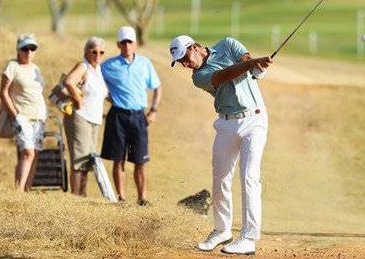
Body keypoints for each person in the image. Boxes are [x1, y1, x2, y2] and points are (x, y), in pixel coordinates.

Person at [170, 35, 272, 255]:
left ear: (195, 47)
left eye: (184, 58)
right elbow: (225, 75)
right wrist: (251, 65)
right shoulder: (198, 77)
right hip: (226, 123)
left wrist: (256, 66)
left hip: (254, 120)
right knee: (220, 179)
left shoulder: (228, 44)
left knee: (249, 177)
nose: (185, 65)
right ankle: (222, 230)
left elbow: (245, 58)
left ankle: (249, 238)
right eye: (180, 63)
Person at [101, 26, 161, 206]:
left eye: (130, 42)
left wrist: (153, 110)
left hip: (138, 117)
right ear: (118, 44)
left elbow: (157, 87)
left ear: (135, 44)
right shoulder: (108, 65)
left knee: (140, 160)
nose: (127, 45)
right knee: (118, 159)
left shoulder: (145, 63)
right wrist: (107, 96)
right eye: (123, 42)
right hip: (117, 116)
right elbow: (96, 81)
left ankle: (142, 198)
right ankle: (121, 198)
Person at [0, 34, 47, 192]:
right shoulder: (12, 66)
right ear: (18, 49)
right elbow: (3, 92)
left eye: (32, 48)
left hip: (39, 116)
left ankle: (26, 189)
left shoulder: (36, 68)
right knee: (28, 152)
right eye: (25, 48)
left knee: (34, 155)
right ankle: (18, 192)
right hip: (22, 117)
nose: (29, 51)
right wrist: (15, 115)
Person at [62, 37, 109, 196]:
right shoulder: (83, 66)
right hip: (80, 117)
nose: (97, 55)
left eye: (101, 52)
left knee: (88, 160)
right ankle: (76, 195)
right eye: (93, 51)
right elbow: (69, 82)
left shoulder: (98, 69)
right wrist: (78, 98)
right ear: (86, 52)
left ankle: (82, 194)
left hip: (94, 120)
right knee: (79, 159)